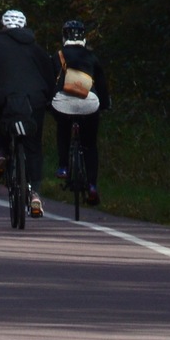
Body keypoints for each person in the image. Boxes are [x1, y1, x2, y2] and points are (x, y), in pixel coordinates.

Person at [0, 9, 62, 216]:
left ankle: (2, 152)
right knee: (33, 146)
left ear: (3, 26)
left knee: (0, 118)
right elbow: (50, 76)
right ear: (24, 26)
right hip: (34, 101)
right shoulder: (36, 48)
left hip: (4, 98)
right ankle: (35, 194)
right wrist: (49, 99)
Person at [53, 18, 108, 206]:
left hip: (63, 103)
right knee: (90, 145)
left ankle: (63, 167)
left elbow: (50, 82)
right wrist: (105, 104)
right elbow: (101, 85)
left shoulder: (58, 55)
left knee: (63, 129)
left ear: (64, 36)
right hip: (89, 104)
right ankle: (92, 185)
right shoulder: (91, 57)